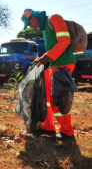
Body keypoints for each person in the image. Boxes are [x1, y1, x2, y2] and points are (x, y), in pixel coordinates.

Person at [21, 9, 76, 139]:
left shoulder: (54, 19)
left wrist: (47, 56)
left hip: (63, 64)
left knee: (59, 100)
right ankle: (48, 127)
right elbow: (52, 49)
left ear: (35, 17)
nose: (30, 26)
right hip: (54, 65)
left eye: (29, 23)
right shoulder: (45, 29)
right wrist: (42, 58)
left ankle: (67, 132)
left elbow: (64, 41)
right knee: (45, 97)